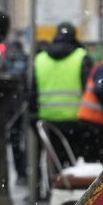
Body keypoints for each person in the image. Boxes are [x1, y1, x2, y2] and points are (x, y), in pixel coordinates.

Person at [30, 22, 93, 158]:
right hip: (76, 122)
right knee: (73, 165)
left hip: (48, 121)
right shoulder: (82, 57)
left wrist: (33, 118)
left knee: (53, 163)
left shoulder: (40, 59)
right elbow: (89, 91)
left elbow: (31, 93)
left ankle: (52, 180)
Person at [3, 39, 30, 183]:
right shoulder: (26, 63)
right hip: (22, 108)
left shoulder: (6, 64)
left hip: (13, 110)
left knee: (16, 144)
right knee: (23, 144)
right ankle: (24, 174)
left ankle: (21, 174)